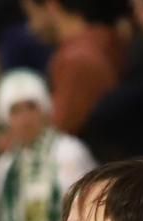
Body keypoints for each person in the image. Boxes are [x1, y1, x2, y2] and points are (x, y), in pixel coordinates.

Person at [0, 69, 96, 221]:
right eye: (15, 111)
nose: (25, 119)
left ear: (45, 110)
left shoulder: (69, 152)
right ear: (5, 119)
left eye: (31, 107)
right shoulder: (5, 167)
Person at [21, 0, 124, 136]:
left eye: (31, 14)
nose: (31, 27)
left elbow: (57, 133)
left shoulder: (76, 60)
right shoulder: (104, 40)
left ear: (52, 6)